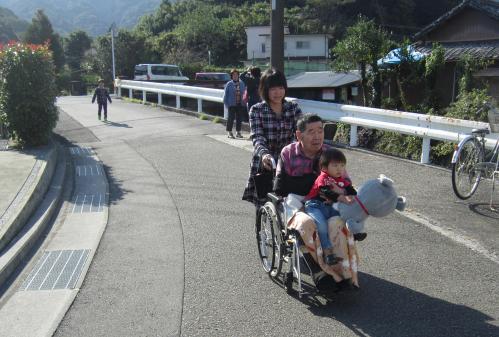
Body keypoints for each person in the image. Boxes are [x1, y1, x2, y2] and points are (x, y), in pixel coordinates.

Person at [242, 68, 302, 208]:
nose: (278, 93)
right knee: (264, 204)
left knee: (291, 204)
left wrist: (293, 151)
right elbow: (257, 136)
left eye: (281, 88)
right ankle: (261, 227)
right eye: (273, 89)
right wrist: (264, 154)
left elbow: (300, 133)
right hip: (266, 162)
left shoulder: (293, 108)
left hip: (289, 162)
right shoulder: (257, 110)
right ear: (265, 89)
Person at [303, 148, 357, 265]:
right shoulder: (323, 178)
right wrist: (342, 197)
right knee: (322, 225)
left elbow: (353, 192)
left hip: (331, 207)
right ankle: (328, 253)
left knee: (343, 218)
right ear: (324, 168)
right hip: (315, 205)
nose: (339, 169)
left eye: (342, 165)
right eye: (335, 165)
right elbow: (326, 191)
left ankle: (355, 231)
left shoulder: (341, 180)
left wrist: (346, 193)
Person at [223, 69, 246, 139]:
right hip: (231, 104)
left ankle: (238, 132)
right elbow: (225, 94)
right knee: (231, 118)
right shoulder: (229, 84)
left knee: (239, 118)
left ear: (238, 75)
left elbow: (244, 93)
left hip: (240, 103)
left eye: (236, 75)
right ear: (231, 76)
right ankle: (229, 132)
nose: (235, 76)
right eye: (234, 75)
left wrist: (244, 102)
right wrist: (226, 103)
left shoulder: (242, 83)